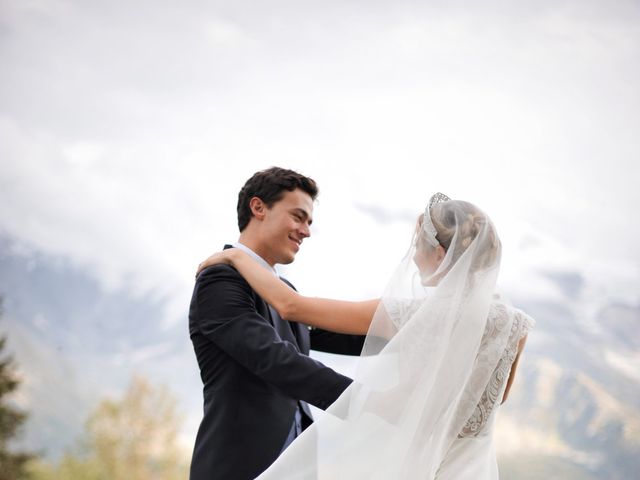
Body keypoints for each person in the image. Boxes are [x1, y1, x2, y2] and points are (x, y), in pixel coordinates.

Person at [197, 193, 535, 479]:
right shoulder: (515, 325)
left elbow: (290, 306)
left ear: (441, 256)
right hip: (472, 468)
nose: (414, 258)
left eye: (419, 245)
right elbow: (494, 397)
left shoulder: (410, 315)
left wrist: (235, 256)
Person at [188, 167, 367, 480]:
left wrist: (421, 331)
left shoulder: (286, 293)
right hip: (241, 467)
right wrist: (366, 401)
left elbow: (347, 337)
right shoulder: (220, 280)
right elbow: (275, 360)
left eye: (309, 222)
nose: (306, 231)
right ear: (258, 208)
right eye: (298, 217)